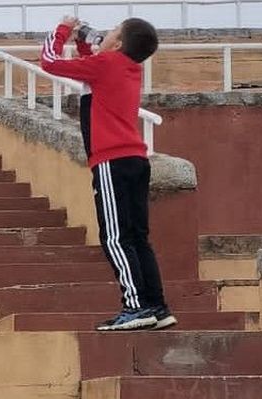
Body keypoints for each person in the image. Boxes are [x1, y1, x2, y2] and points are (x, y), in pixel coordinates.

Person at [42, 15, 176, 331]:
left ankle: (135, 306)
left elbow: (49, 62)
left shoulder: (107, 64)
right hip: (134, 160)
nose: (107, 33)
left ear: (116, 44)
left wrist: (62, 30)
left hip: (111, 161)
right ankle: (156, 306)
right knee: (137, 238)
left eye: (113, 31)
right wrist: (83, 42)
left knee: (115, 237)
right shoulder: (124, 67)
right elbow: (92, 77)